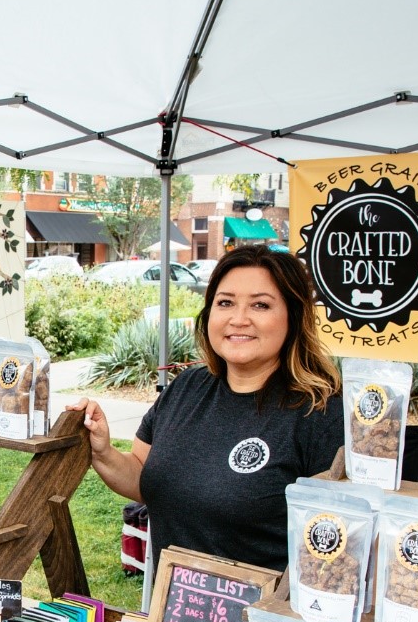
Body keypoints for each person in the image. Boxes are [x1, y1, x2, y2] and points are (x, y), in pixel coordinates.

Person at [68, 245, 343, 572]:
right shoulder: (186, 388)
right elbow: (144, 478)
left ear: (293, 317)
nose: (239, 319)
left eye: (260, 305)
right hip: (178, 613)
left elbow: (337, 549)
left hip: (263, 618)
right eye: (225, 302)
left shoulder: (320, 412)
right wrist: (102, 451)